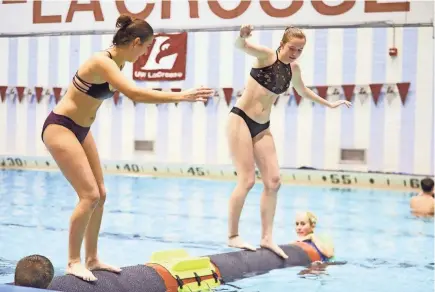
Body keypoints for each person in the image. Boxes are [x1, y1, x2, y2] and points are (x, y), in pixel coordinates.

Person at [41, 15, 214, 282]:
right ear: (135, 42)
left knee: (101, 194)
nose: (145, 54)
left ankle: (92, 258)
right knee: (89, 196)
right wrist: (182, 95)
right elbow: (136, 94)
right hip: (60, 127)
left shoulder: (119, 62)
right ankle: (73, 261)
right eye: (145, 48)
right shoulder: (103, 61)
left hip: (81, 130)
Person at [227, 25, 351, 259]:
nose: (295, 53)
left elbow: (303, 91)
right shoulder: (266, 56)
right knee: (247, 180)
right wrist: (242, 36)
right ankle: (233, 235)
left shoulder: (293, 69)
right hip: (240, 119)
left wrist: (330, 104)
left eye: (300, 50)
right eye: (292, 48)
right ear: (282, 44)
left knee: (274, 182)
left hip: (262, 127)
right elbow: (240, 46)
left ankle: (266, 237)